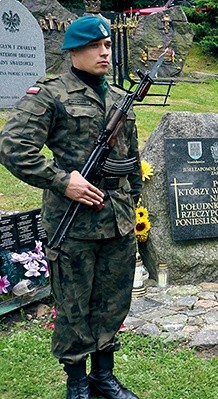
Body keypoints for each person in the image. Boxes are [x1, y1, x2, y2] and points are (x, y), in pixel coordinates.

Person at [0, 16, 141, 399]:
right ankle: (77, 382)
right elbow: (12, 147)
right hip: (74, 223)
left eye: (108, 45)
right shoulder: (49, 94)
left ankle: (103, 376)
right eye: (96, 46)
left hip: (118, 222)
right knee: (75, 306)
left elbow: (132, 156)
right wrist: (63, 180)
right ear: (73, 51)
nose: (105, 52)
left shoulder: (116, 97)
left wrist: (132, 203)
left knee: (113, 303)